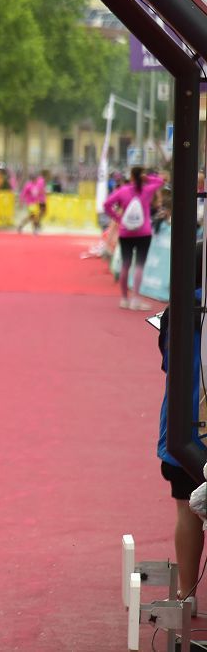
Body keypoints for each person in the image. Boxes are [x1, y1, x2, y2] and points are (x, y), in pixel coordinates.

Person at [156, 241, 206, 611]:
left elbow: (168, 363)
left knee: (187, 510)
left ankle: (186, 596)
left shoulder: (179, 309)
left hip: (183, 429)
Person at [104, 166, 165, 310]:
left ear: (131, 176)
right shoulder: (147, 190)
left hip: (126, 232)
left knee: (125, 264)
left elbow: (107, 205)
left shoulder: (123, 190)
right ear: (142, 176)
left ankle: (124, 299)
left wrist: (118, 218)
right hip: (143, 232)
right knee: (139, 265)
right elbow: (160, 181)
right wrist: (147, 178)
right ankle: (136, 299)